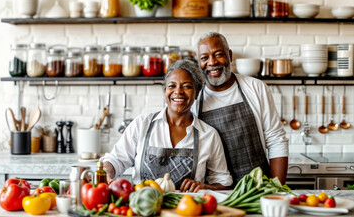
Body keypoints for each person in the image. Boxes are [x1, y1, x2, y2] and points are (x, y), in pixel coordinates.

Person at [101, 59, 233, 192]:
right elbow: (115, 160)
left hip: (186, 210)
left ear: (197, 93)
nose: (178, 91)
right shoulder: (142, 124)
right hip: (142, 208)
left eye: (186, 86)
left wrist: (206, 187)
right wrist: (107, 172)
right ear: (165, 91)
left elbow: (223, 182)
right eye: (172, 86)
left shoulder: (209, 135)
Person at [192, 32, 289, 186]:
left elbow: (276, 140)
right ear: (199, 62)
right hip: (212, 191)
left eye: (218, 54)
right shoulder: (194, 98)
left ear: (229, 56)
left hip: (257, 189)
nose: (212, 62)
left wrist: (277, 188)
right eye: (204, 58)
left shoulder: (256, 88)